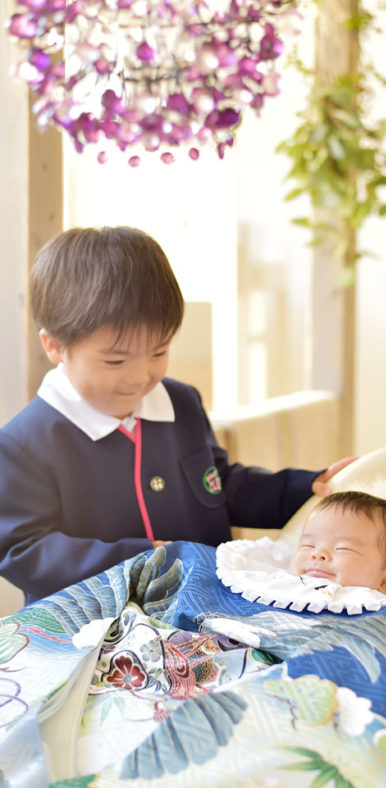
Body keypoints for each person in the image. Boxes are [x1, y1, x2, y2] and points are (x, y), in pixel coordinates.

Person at [0, 226, 351, 604]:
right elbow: (21, 548)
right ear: (54, 345)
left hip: (204, 614)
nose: (139, 377)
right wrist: (138, 559)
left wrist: (304, 488)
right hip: (93, 635)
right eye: (115, 360)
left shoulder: (181, 403)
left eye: (158, 352)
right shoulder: (24, 442)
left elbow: (220, 485)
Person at [288, 490, 386, 593]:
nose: (318, 554)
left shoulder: (377, 607)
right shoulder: (275, 586)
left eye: (343, 548)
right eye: (308, 545)